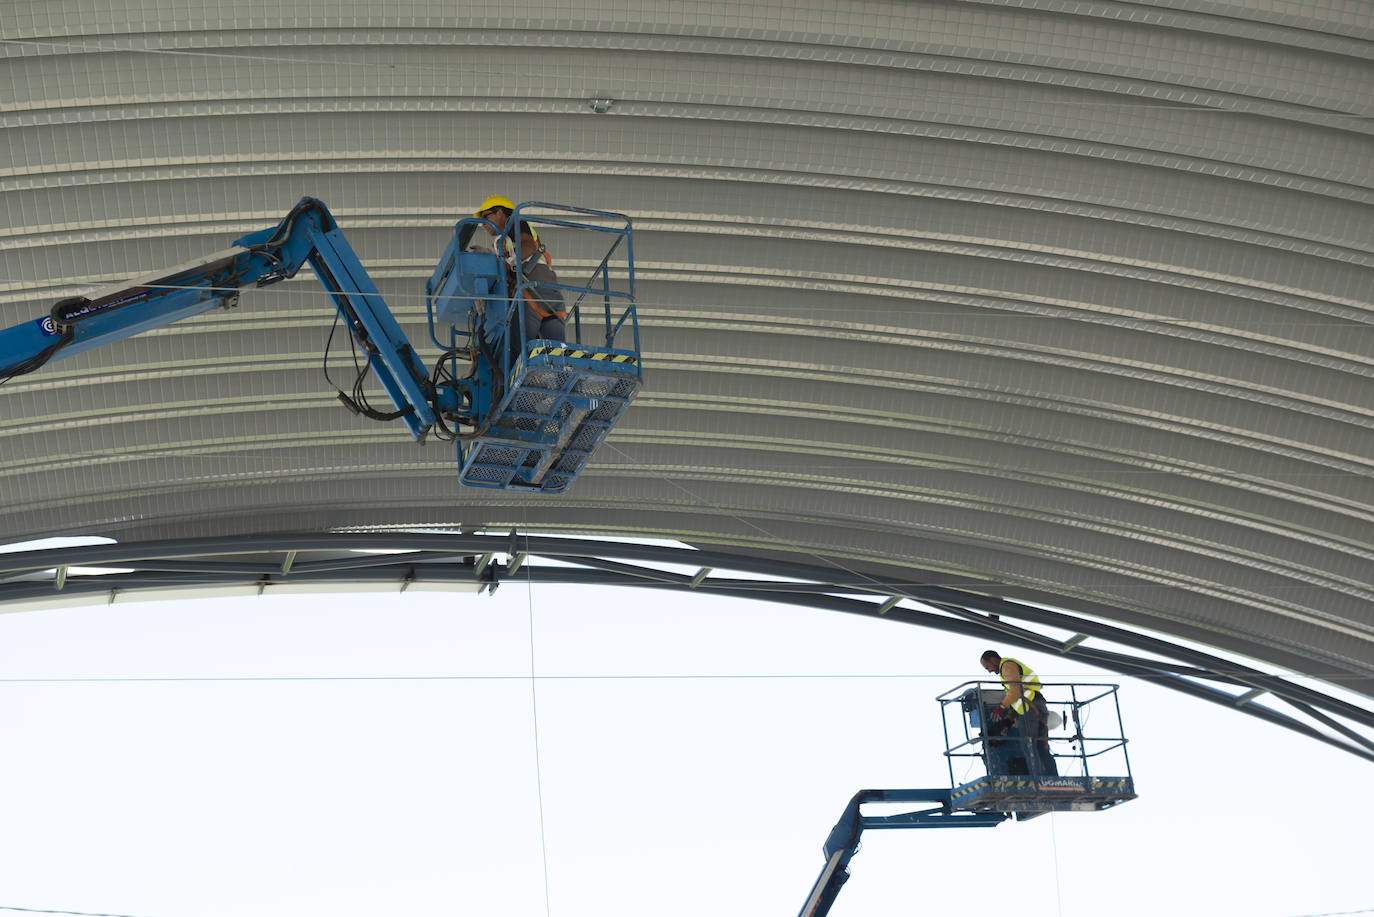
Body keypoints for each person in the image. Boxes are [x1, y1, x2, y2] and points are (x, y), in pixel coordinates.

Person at [979, 649, 1058, 776]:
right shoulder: (1008, 666)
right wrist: (1011, 715)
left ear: (993, 660)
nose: (989, 670)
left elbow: (1015, 691)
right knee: (1040, 746)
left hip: (1030, 708)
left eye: (988, 666)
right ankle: (1052, 778)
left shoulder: (1007, 666)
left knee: (1029, 744)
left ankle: (1037, 780)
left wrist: (1001, 707)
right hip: (1036, 706)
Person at [508, 221, 566, 353]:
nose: (484, 224)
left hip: (532, 291)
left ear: (499, 212)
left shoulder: (514, 225)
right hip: (552, 294)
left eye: (487, 216)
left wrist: (504, 264)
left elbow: (528, 247)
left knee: (517, 355)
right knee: (556, 357)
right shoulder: (506, 240)